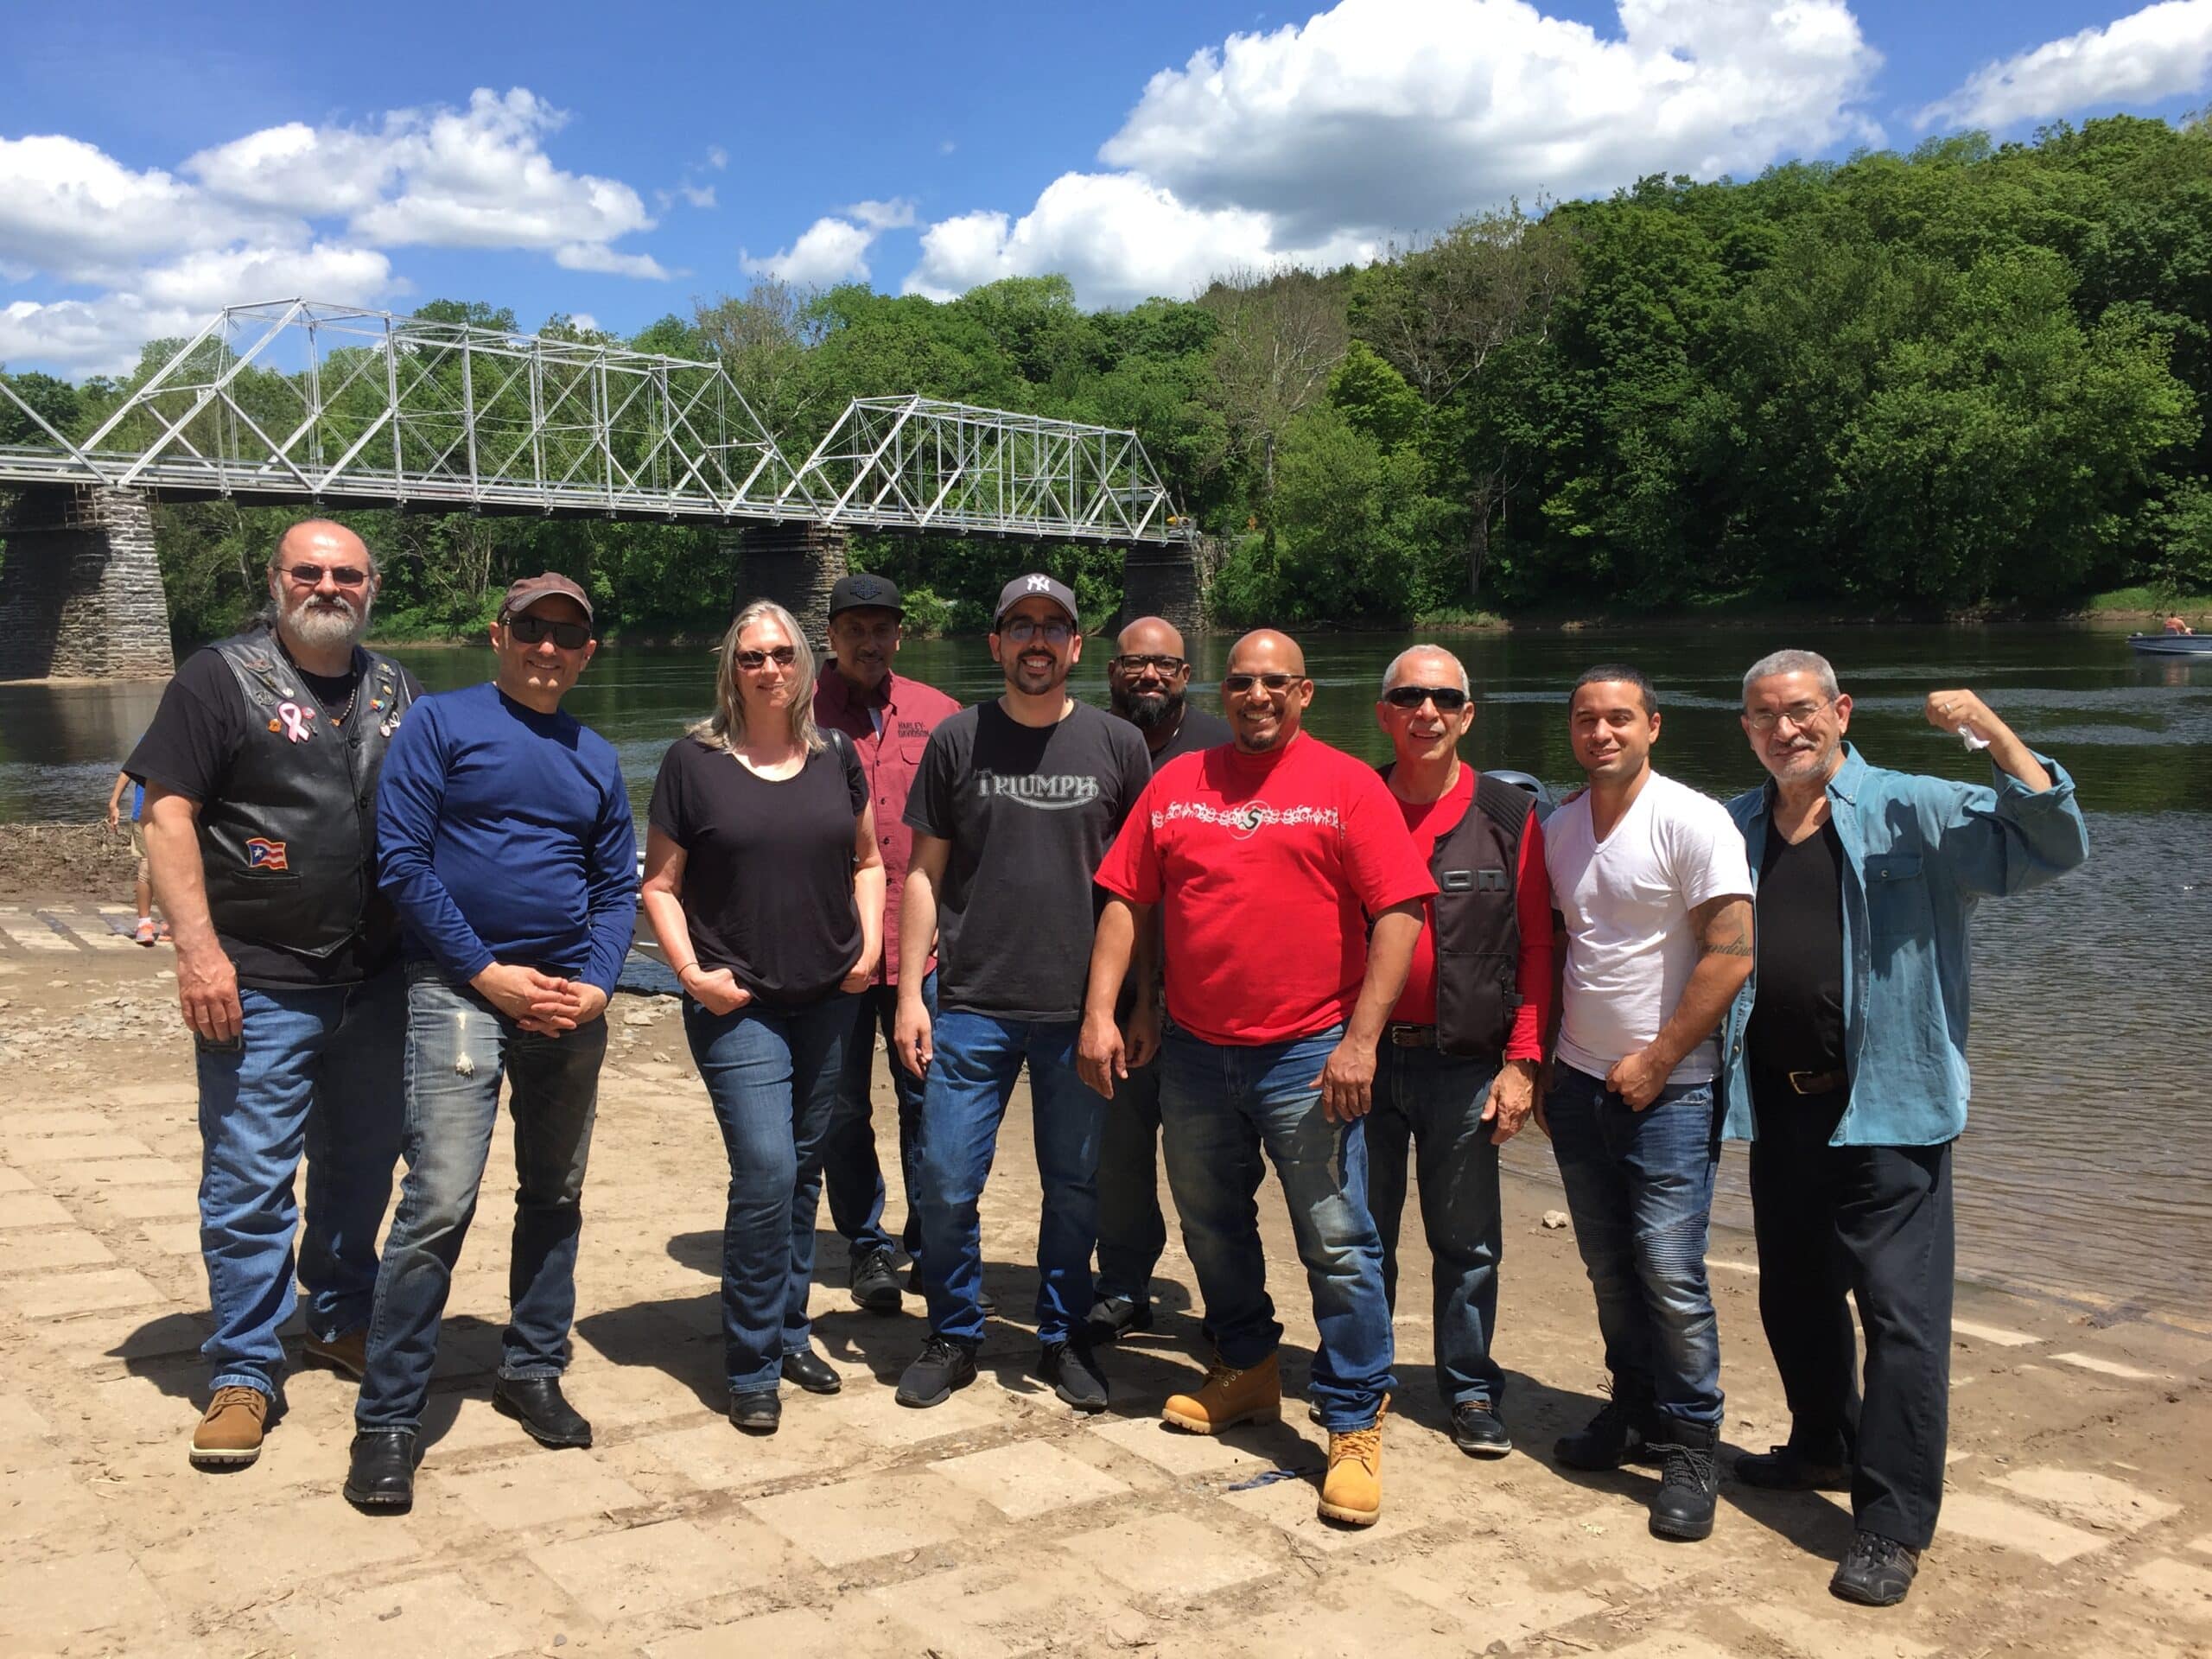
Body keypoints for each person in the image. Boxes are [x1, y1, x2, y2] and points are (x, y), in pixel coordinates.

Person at [1721, 651, 2088, 1606]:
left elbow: (2046, 845)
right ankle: (1820, 1445)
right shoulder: (1735, 824)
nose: (1784, 730)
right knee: (1793, 1296)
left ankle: (1890, 1522)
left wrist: (1991, 731)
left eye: (1801, 711)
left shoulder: (1911, 806)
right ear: (1747, 729)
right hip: (1779, 1103)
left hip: (1889, 1110)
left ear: (1839, 711)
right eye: (1764, 717)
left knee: (1901, 1321)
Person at [1084, 630, 1433, 1529]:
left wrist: (1361, 1042)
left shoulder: (1347, 784)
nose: (1257, 696)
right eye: (1241, 682)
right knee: (1210, 1222)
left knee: (1338, 1239)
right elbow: (1129, 898)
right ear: (1223, 692)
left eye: (1276, 682)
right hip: (1199, 1051)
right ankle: (1244, 1368)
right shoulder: (1177, 783)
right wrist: (1107, 1011)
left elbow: (1397, 913)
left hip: (1308, 1052)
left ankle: (1355, 1419)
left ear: (1305, 693)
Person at [125, 519, 418, 1468]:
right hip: (258, 977)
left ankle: (338, 1319)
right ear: (276, 579)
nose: (327, 586)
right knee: (251, 1182)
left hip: (374, 979)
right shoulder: (218, 678)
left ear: (371, 587)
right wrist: (198, 953)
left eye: (346, 574)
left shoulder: (392, 687)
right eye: (310, 571)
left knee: (361, 1169)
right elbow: (165, 812)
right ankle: (244, 1369)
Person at [345, 573, 636, 1514]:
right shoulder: (441, 724)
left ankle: (532, 1367)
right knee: (437, 1199)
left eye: (567, 636)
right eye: (531, 631)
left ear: (588, 652)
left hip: (565, 1000)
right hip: (458, 990)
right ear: (497, 633)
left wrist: (594, 984)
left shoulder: (594, 753)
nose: (547, 649)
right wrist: (485, 972)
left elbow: (614, 887)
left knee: (555, 1193)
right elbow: (404, 860)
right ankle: (388, 1421)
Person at [892, 574, 1151, 1414]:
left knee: (1074, 1188)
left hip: (1082, 1013)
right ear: (995, 643)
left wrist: (1133, 1005)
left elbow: (1136, 890)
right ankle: (956, 1332)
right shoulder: (957, 741)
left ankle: (1060, 1336)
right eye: (1019, 626)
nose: (1036, 641)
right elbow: (923, 875)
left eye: (1053, 627)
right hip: (970, 1004)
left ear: (1077, 648)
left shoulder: (1118, 746)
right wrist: (909, 992)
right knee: (945, 1182)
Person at [643, 601, 882, 1434]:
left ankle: (789, 1328)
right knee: (769, 1170)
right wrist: (689, 974)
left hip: (828, 999)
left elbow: (869, 861)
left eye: (783, 654)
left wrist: (870, 948)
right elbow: (660, 888)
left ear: (806, 666)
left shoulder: (837, 755)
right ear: (731, 671)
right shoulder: (692, 761)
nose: (770, 669)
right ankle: (749, 1360)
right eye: (753, 658)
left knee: (805, 1170)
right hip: (736, 1002)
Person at [1542, 664, 1753, 1543]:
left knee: (1669, 1271)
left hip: (1671, 1087)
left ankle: (1691, 1443)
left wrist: (1661, 1058)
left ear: (1653, 727)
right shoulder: (1556, 828)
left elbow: (1734, 951)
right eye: (1587, 719)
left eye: (1620, 718)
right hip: (1578, 1078)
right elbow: (1562, 948)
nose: (1603, 734)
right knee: (1606, 1267)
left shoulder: (1693, 819)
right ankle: (1630, 1408)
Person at [1367, 645, 1554, 1458]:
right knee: (1357, 1234)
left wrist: (1523, 1062)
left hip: (1467, 1063)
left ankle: (1471, 1388)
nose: (1427, 711)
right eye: (1408, 695)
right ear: (1385, 713)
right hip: (1363, 1061)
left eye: (1444, 698)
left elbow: (1539, 949)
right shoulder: (1356, 800)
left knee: (1468, 1241)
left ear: (1467, 714)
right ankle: (1361, 1377)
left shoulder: (1510, 816)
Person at [810, 572, 961, 1315]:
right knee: (840, 1109)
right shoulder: (795, 712)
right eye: (854, 628)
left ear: (900, 633)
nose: (870, 641)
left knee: (928, 1100)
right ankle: (866, 1245)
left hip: (923, 954)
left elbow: (971, 830)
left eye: (883, 628)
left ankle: (931, 1244)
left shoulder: (940, 715)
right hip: (828, 956)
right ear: (830, 636)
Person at [1086, 615, 1230, 1344]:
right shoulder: (1081, 742)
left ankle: (1227, 1301)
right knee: (1118, 1150)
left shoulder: (1222, 747)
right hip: (1110, 990)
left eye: (1165, 665)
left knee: (1212, 1164)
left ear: (1187, 673)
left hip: (1210, 993)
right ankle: (1122, 1282)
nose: (1149, 676)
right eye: (1134, 663)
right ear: (1110, 670)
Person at [105, 769, 163, 944]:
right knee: (147, 866)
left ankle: (170, 922)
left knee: (173, 869)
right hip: (144, 814)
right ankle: (144, 924)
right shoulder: (148, 741)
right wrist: (114, 803)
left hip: (175, 814)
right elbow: (128, 771)